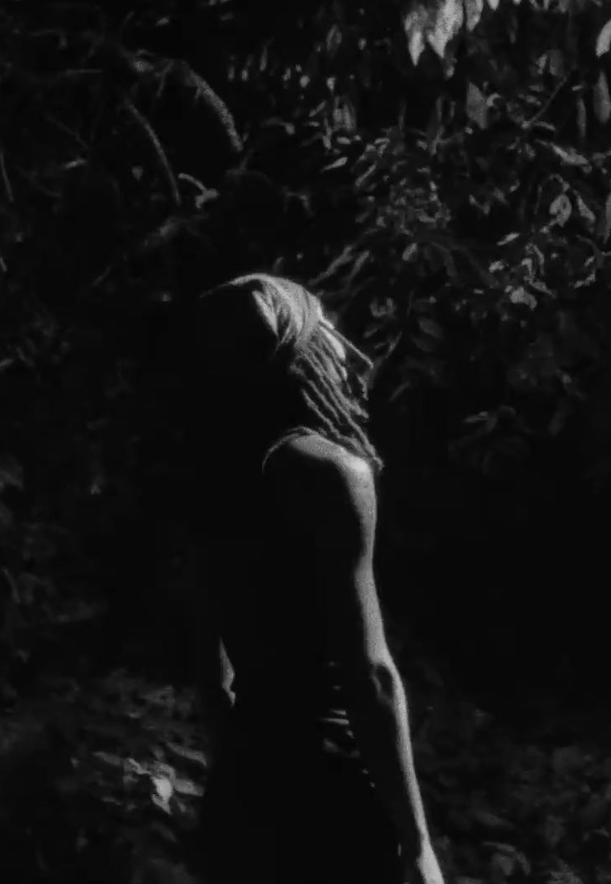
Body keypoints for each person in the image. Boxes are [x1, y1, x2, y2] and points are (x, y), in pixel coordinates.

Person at [180, 273, 444, 884]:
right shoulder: (327, 471)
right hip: (330, 789)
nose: (342, 345)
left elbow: (210, 666)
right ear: (296, 350)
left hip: (242, 789)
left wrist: (240, 768)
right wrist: (416, 843)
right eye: (323, 327)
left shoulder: (212, 477)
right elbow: (368, 672)